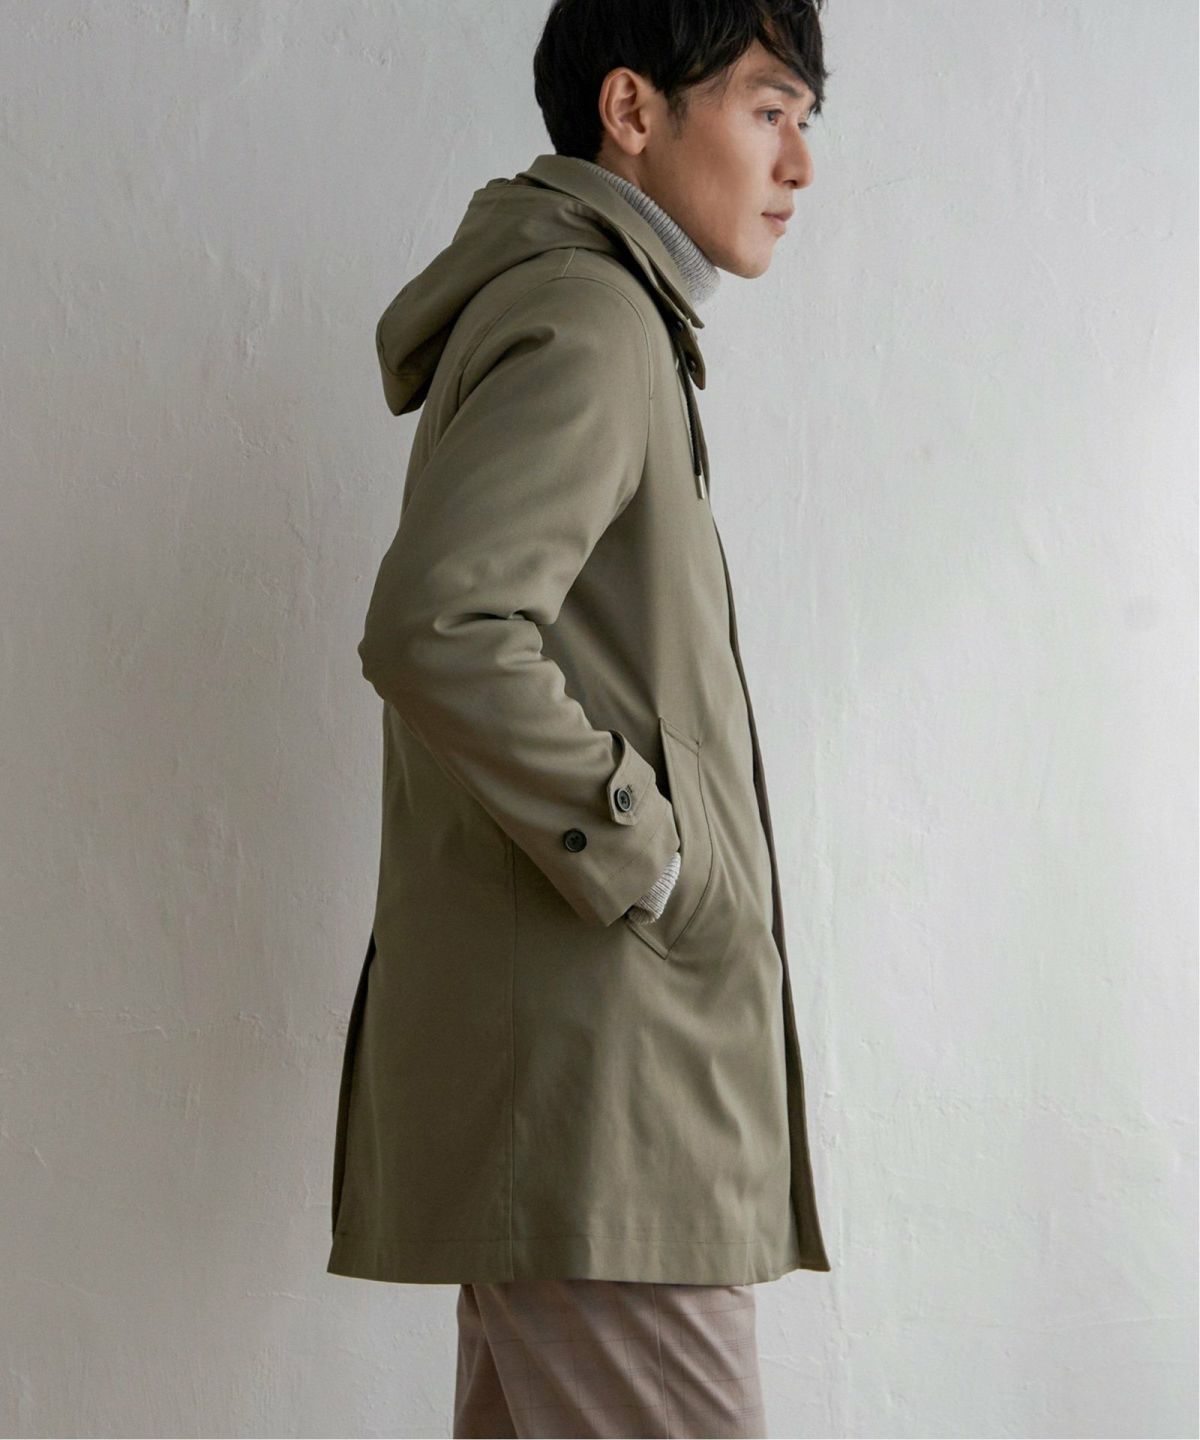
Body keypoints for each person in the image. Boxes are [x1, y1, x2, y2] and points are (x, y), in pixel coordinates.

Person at [327, 2, 831, 1434]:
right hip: (608, 1100)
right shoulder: (595, 321)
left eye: (806, 122)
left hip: (581, 1092)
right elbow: (441, 627)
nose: (799, 163)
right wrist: (653, 860)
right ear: (632, 109)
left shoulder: (597, 313)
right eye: (768, 109)